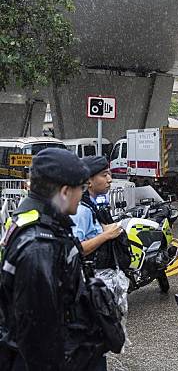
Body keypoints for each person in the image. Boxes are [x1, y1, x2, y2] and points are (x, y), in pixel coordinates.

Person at [0, 148, 105, 370]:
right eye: (81, 188)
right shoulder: (39, 247)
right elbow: (38, 334)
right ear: (65, 192)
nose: (82, 194)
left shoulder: (38, 220)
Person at [70, 156, 130, 371]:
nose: (110, 179)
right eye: (104, 175)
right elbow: (76, 248)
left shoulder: (98, 204)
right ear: (88, 180)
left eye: (110, 174)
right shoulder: (82, 210)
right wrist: (106, 235)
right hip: (88, 287)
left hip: (102, 284)